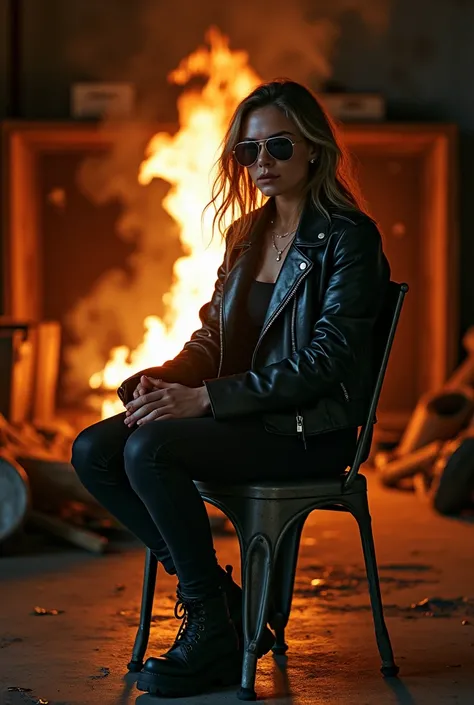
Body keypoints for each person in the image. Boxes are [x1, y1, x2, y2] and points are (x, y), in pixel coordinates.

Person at [72, 78, 390, 698]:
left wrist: (207, 400)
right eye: (249, 152)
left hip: (310, 432)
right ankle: (221, 605)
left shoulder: (350, 239)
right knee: (94, 449)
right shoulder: (246, 235)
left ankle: (211, 627)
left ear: (316, 150)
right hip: (248, 419)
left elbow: (328, 362)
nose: (262, 164)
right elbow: (213, 342)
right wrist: (165, 379)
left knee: (150, 450)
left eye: (278, 147)